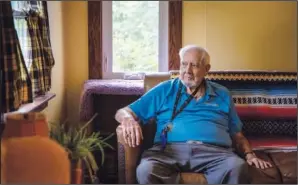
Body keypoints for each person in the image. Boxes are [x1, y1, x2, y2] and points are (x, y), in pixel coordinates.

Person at [114, 45, 272, 184]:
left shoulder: (222, 94)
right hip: (167, 152)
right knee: (146, 170)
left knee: (237, 168)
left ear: (207, 69)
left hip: (216, 153)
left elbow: (237, 134)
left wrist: (250, 155)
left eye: (194, 65)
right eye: (184, 64)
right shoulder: (165, 89)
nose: (187, 71)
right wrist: (128, 119)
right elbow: (123, 111)